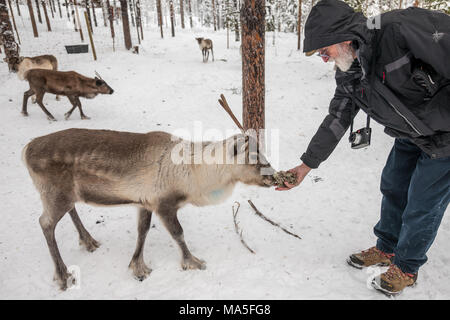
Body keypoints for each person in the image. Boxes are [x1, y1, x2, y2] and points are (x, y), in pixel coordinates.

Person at [276, 0, 450, 296]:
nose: (322, 58)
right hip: (411, 132)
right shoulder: (349, 71)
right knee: (394, 186)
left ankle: (407, 267)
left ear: (342, 36)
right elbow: (337, 118)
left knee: (422, 202)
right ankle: (388, 248)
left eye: (323, 50)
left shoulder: (398, 30)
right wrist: (306, 165)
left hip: (445, 134)